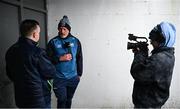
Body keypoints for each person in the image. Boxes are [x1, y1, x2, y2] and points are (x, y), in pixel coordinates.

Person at [5, 19, 56, 108]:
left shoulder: (10, 51)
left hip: (21, 98)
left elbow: (10, 74)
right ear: (34, 34)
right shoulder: (38, 52)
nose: (39, 35)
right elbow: (50, 73)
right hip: (39, 99)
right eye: (39, 32)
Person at [130, 22, 176, 108]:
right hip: (152, 103)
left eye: (153, 40)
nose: (151, 43)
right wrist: (141, 54)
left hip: (147, 105)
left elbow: (137, 72)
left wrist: (141, 54)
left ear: (161, 40)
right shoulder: (167, 55)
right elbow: (150, 71)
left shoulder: (159, 59)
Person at [47, 15, 83, 108]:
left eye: (64, 29)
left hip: (73, 78)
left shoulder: (76, 41)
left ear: (69, 29)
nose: (62, 31)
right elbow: (47, 60)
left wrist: (79, 74)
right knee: (62, 100)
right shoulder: (53, 42)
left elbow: (79, 58)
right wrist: (60, 58)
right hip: (59, 78)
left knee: (69, 99)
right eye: (60, 29)